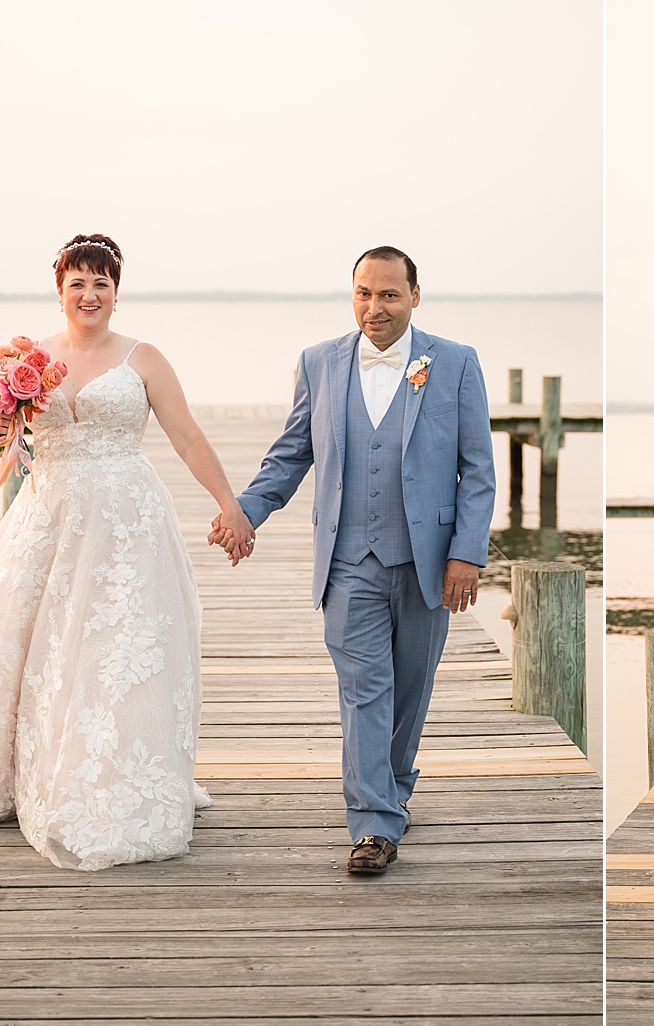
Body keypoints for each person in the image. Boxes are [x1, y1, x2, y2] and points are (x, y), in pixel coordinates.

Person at [0, 234, 254, 870]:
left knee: (113, 646)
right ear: (59, 290)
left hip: (124, 521)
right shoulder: (28, 359)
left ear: (116, 292)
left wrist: (231, 504)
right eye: (78, 284)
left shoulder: (144, 358)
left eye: (102, 284)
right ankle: (17, 771)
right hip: (46, 515)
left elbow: (188, 437)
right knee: (26, 642)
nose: (90, 295)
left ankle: (106, 778)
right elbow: (5, 447)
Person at [210, 246, 495, 874]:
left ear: (415, 296)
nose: (376, 307)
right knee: (365, 687)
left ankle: (392, 784)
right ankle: (372, 825)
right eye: (364, 293)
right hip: (348, 560)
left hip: (429, 560)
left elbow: (477, 470)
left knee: (409, 690)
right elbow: (290, 455)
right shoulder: (320, 363)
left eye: (389, 294)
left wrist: (467, 555)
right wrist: (246, 512)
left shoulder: (454, 364)